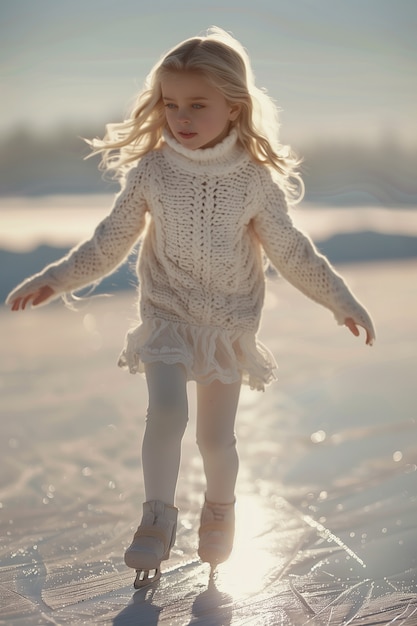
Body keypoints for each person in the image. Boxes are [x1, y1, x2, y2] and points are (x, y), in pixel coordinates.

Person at [7, 27, 375, 588]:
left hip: (226, 325)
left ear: (234, 106)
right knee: (166, 415)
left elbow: (292, 251)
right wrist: (56, 279)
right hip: (167, 319)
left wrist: (340, 300)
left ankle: (220, 510)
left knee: (214, 438)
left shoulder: (253, 181)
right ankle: (155, 520)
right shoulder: (153, 172)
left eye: (197, 105)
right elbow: (110, 241)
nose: (181, 116)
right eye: (171, 103)